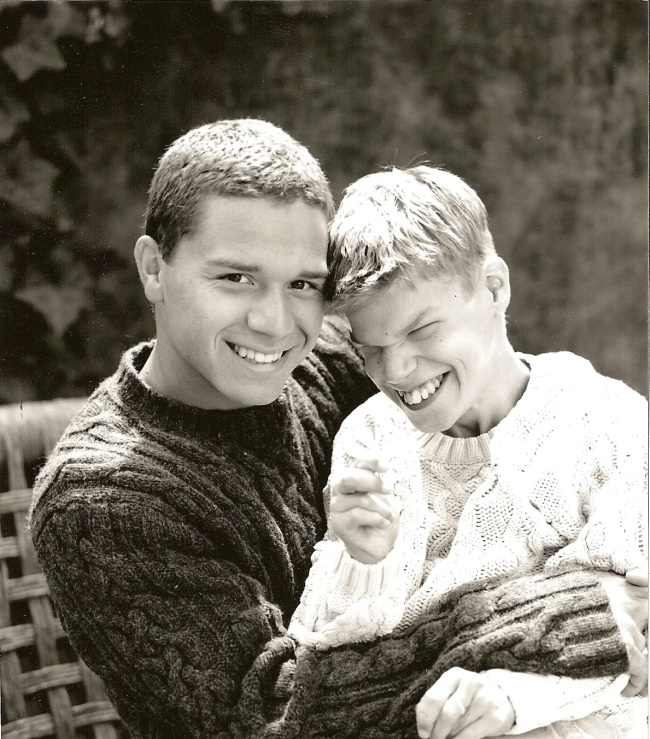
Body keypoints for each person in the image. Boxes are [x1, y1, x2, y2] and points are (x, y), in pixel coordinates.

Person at [28, 121, 642, 739]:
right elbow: (270, 720)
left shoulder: (342, 357)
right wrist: (575, 619)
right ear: (154, 268)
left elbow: (508, 411)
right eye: (235, 277)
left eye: (302, 285)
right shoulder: (102, 502)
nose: (274, 323)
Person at [288, 165, 648, 738]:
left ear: (495, 286)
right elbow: (322, 676)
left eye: (422, 329)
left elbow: (634, 642)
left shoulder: (609, 425)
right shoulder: (370, 437)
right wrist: (362, 561)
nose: (396, 371)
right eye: (371, 348)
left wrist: (512, 696)